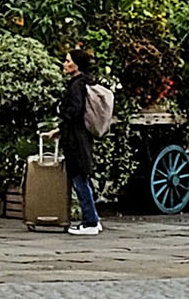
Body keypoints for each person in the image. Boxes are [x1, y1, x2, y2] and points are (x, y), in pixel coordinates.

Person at [58, 48, 102, 236]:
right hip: (81, 136)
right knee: (82, 178)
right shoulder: (84, 83)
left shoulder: (76, 85)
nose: (65, 64)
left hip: (75, 140)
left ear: (77, 64)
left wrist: (60, 110)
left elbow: (74, 111)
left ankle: (90, 222)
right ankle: (93, 218)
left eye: (68, 61)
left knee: (79, 178)